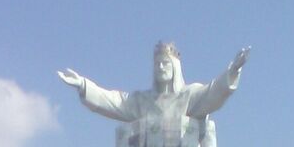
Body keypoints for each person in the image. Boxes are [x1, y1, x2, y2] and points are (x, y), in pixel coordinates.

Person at [57, 42, 250, 123]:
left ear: (175, 68)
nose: (160, 67)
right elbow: (113, 100)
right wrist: (83, 84)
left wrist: (233, 71)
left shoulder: (188, 96)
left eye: (165, 63)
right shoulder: (142, 101)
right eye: (157, 64)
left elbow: (214, 92)